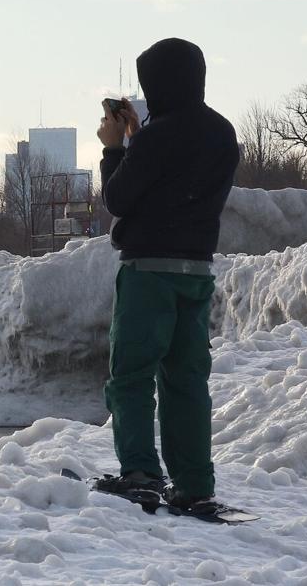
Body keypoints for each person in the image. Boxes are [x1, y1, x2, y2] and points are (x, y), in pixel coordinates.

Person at [94, 38, 239, 513]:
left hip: (147, 272)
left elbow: (119, 200)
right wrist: (143, 136)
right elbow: (180, 178)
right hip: (196, 271)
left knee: (132, 375)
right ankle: (194, 483)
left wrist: (116, 149)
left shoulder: (156, 138)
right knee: (187, 379)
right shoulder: (222, 133)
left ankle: (140, 473)